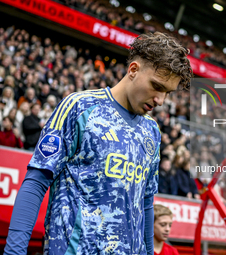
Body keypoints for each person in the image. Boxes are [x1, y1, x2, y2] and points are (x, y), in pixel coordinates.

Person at [4, 32, 192, 255]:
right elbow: (36, 183)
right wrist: (14, 252)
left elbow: (146, 202)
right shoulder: (79, 107)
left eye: (167, 93)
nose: (161, 101)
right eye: (157, 86)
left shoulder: (152, 131)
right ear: (133, 70)